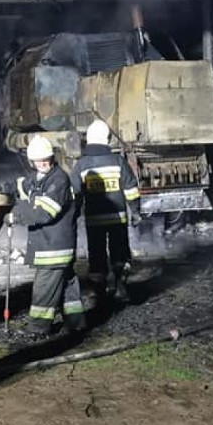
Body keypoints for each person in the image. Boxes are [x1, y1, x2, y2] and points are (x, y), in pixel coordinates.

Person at [8, 134, 86, 336]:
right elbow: (23, 187)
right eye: (38, 160)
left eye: (46, 159)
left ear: (52, 158)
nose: (42, 163)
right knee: (67, 285)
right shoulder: (38, 179)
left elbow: (44, 213)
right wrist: (3, 190)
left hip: (54, 247)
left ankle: (38, 327)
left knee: (44, 287)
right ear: (31, 161)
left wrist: (15, 216)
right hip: (56, 244)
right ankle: (76, 322)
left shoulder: (58, 180)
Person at [70, 118, 142, 304]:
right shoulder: (118, 161)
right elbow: (131, 190)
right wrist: (135, 212)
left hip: (94, 221)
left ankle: (98, 292)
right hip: (118, 219)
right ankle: (120, 287)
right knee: (120, 252)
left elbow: (75, 195)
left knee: (96, 255)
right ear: (107, 139)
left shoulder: (81, 165)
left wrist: (74, 215)